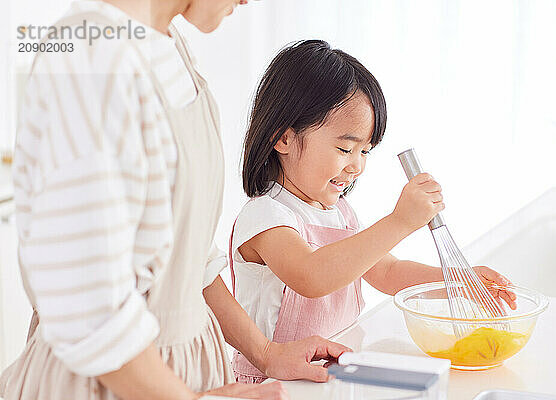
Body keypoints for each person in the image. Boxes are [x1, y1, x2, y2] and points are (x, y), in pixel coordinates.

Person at [0, 2, 350, 400]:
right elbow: (88, 309)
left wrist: (265, 353)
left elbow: (189, 257)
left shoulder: (168, 45)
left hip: (182, 375)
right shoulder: (91, 55)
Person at [229, 40, 517, 383]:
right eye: (345, 148)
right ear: (284, 139)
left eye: (365, 151)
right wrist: (400, 221)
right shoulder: (266, 216)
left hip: (333, 371)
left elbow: (388, 272)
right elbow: (311, 276)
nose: (356, 166)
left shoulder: (340, 213)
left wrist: (458, 280)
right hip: (273, 384)